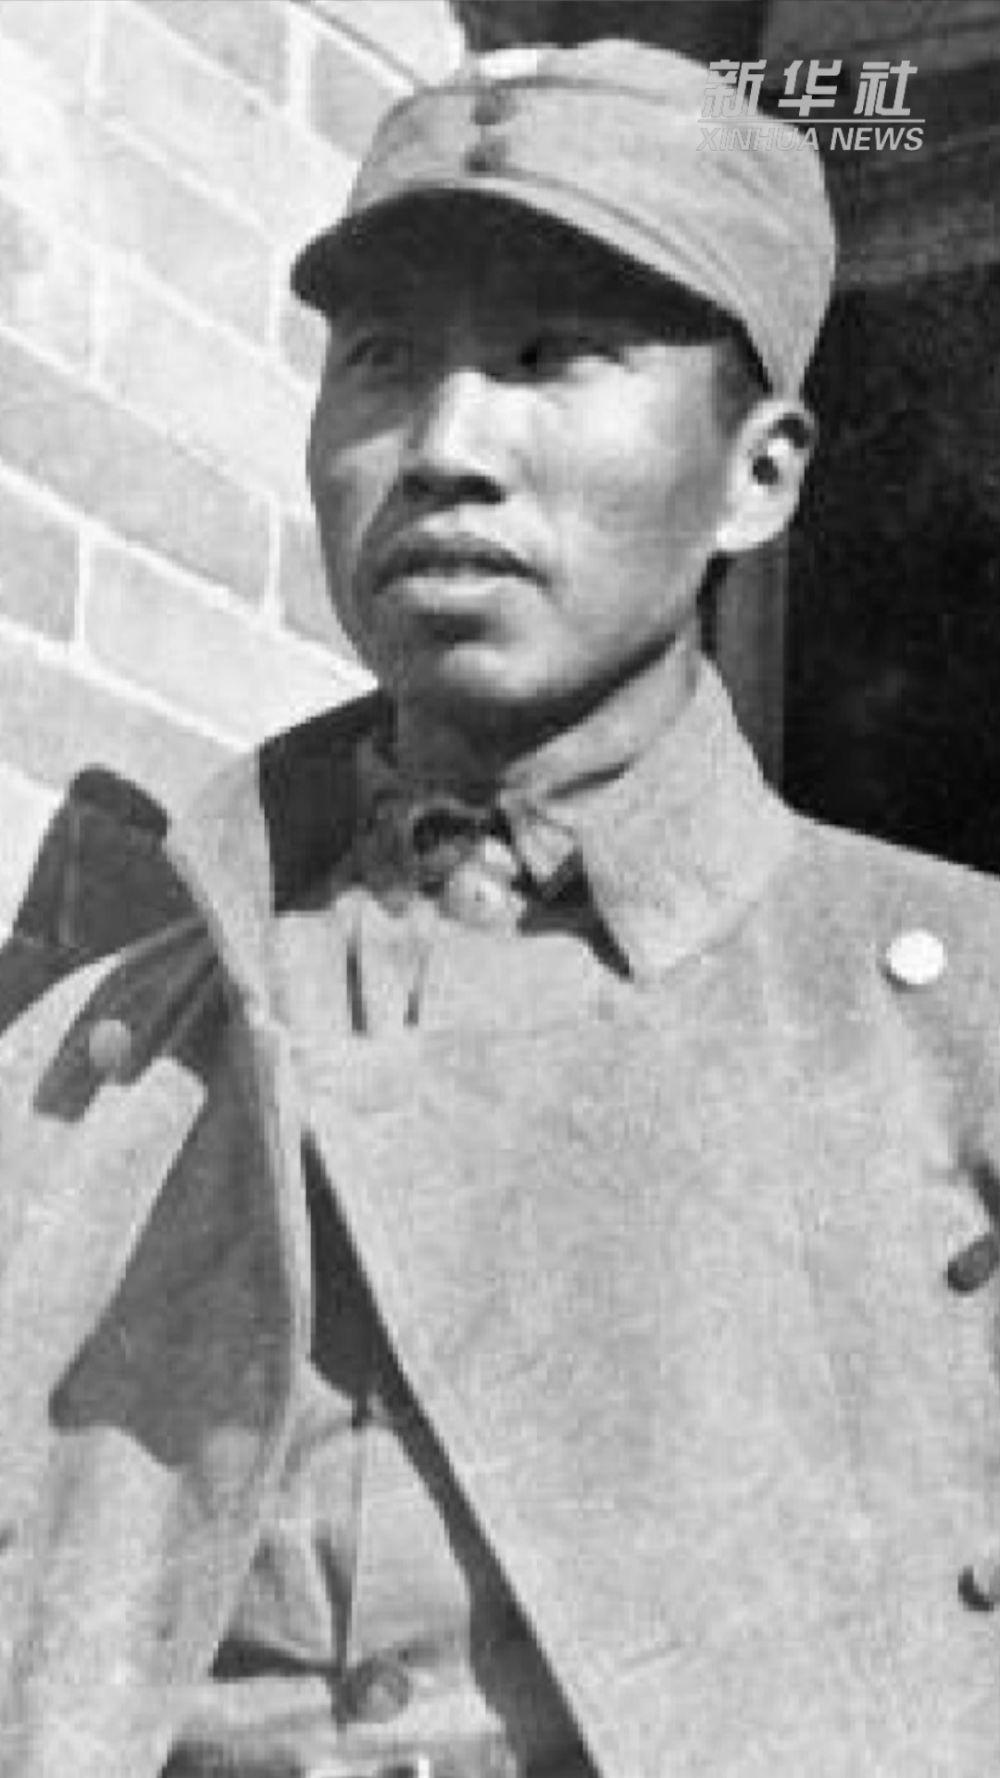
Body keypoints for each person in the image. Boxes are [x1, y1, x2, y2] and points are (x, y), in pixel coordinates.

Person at [3, 36, 1000, 1778]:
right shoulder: (80, 1065)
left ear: (759, 475)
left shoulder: (952, 1013)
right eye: (384, 361)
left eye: (552, 354)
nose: (447, 446)